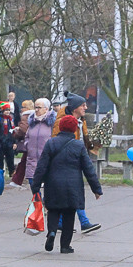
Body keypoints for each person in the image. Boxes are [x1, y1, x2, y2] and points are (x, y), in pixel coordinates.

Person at [30, 114, 103, 255]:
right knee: (69, 214)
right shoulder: (79, 145)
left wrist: (36, 186)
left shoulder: (51, 143)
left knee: (53, 210)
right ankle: (65, 246)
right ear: (75, 129)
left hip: (54, 183)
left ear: (61, 127)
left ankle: (51, 232)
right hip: (73, 185)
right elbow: (88, 169)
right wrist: (96, 189)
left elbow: (42, 166)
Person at [51, 93, 101, 233]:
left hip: (77, 159)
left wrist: (94, 145)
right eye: (82, 105)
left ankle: (66, 222)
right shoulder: (62, 122)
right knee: (73, 193)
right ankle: (82, 222)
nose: (86, 107)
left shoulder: (81, 120)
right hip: (65, 162)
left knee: (72, 192)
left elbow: (84, 140)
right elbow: (55, 142)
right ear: (74, 108)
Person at [14, 98, 55, 189]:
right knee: (34, 187)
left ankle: (44, 202)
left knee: (49, 188)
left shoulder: (52, 123)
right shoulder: (32, 121)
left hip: (46, 160)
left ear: (46, 109)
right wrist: (27, 145)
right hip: (32, 159)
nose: (36, 110)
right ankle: (38, 202)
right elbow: (27, 136)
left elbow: (55, 138)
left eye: (39, 107)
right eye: (35, 107)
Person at [0, 102, 16, 176]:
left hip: (9, 142)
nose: (8, 111)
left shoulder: (11, 120)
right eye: (6, 110)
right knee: (0, 160)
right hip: (1, 143)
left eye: (9, 110)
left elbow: (14, 132)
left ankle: (12, 172)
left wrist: (15, 142)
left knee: (10, 159)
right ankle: (0, 173)